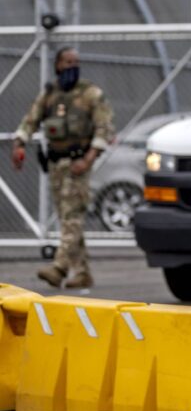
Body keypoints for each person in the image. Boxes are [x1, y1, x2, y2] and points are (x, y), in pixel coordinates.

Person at [10, 46, 114, 289]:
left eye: (76, 62)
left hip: (78, 164)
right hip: (56, 165)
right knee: (67, 216)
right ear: (58, 65)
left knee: (72, 217)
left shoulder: (90, 94)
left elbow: (104, 128)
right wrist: (19, 143)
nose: (72, 66)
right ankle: (82, 272)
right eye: (67, 62)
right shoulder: (50, 93)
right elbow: (30, 120)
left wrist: (88, 159)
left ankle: (59, 268)